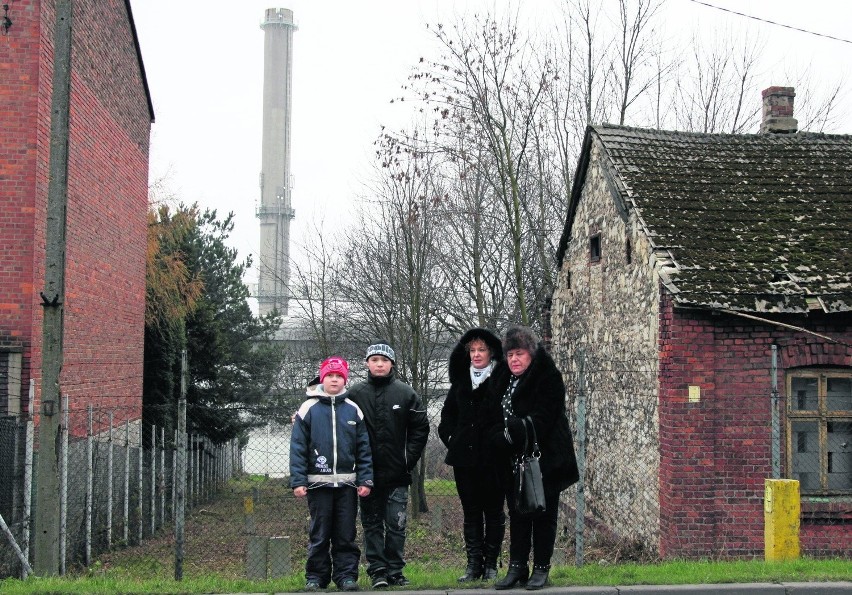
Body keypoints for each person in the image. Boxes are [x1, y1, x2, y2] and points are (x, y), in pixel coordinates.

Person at [484, 326, 579, 591]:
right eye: (510, 354)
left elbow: (545, 418)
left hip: (544, 460)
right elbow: (491, 414)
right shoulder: (501, 376)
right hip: (511, 461)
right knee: (517, 514)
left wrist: (513, 432)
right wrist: (497, 437)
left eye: (520, 354)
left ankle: (541, 569)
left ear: (531, 353)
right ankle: (517, 567)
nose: (514, 359)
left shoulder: (548, 376)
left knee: (543, 515)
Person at [346, 342, 430, 589]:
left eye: (384, 359)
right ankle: (378, 572)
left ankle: (395, 570)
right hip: (367, 475)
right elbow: (336, 419)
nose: (379, 364)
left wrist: (407, 459)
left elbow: (420, 428)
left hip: (397, 474)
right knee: (371, 525)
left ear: (392, 363)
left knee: (397, 525)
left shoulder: (406, 393)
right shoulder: (355, 394)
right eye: (374, 360)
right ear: (367, 364)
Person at [290, 357, 374, 592]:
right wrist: (298, 480)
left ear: (344, 380)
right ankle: (316, 577)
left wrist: (365, 479)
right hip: (317, 486)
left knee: (346, 534)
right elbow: (297, 447)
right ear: (322, 378)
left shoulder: (353, 409)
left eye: (338, 376)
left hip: (347, 485)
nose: (334, 379)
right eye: (330, 375)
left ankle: (346, 576)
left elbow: (363, 448)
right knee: (320, 533)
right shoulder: (308, 409)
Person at [438, 328, 506, 582]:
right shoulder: (459, 383)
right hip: (465, 461)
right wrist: (455, 441)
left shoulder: (502, 381)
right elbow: (445, 423)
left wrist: (500, 443)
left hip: (494, 460)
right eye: (473, 350)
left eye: (482, 350)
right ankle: (473, 565)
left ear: (491, 353)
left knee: (495, 512)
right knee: (471, 512)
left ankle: (491, 565)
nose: (477, 355)